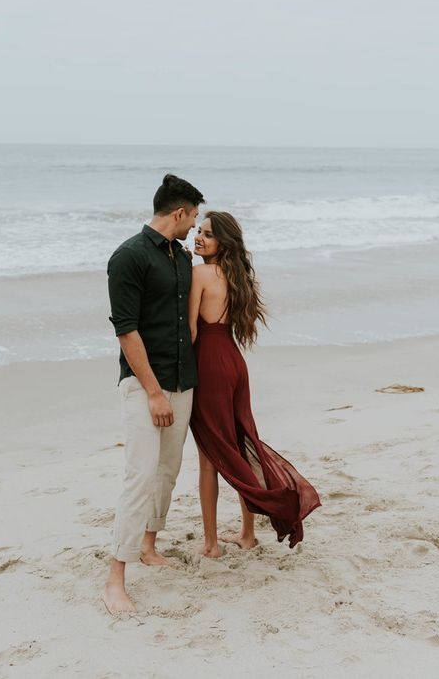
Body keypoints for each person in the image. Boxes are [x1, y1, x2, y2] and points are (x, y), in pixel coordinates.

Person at [188, 211, 320, 558]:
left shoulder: (199, 273)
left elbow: (189, 332)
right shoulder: (238, 276)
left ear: (223, 242)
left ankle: (212, 544)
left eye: (208, 235)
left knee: (210, 458)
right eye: (198, 231)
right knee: (239, 445)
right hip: (233, 363)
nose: (199, 238)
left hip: (210, 366)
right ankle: (247, 534)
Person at [103, 173, 205, 614]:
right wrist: (153, 393)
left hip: (183, 382)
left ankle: (149, 545)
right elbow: (126, 331)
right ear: (179, 213)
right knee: (140, 475)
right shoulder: (128, 257)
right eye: (194, 217)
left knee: (167, 470)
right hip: (146, 386)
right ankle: (115, 578)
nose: (194, 226)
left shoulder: (182, 258)